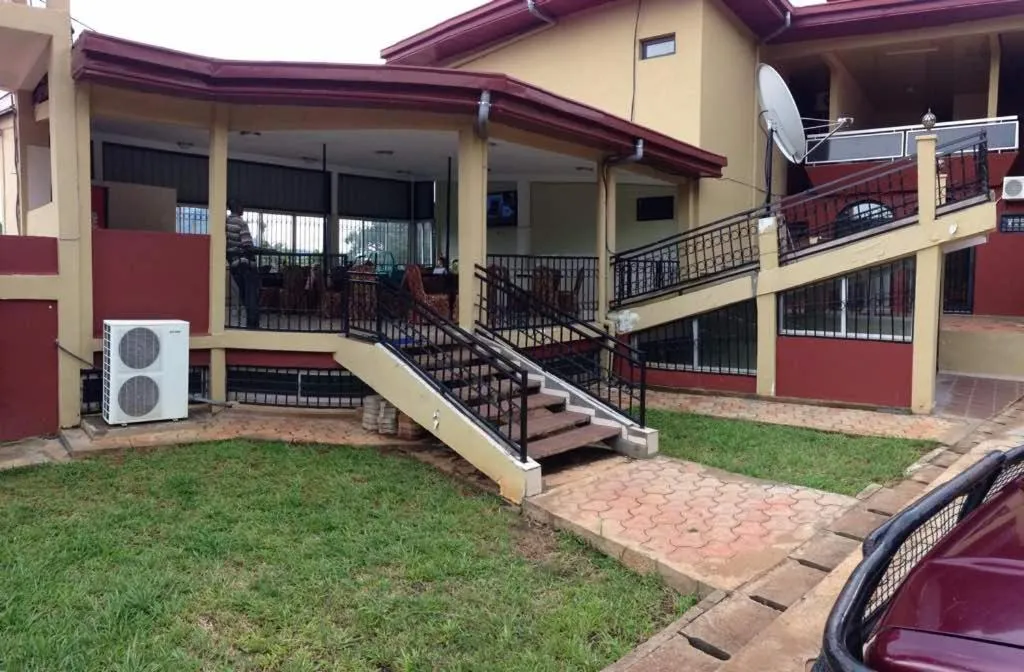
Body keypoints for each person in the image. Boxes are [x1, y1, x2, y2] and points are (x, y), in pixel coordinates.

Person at [226, 199, 260, 329]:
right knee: (251, 295)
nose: (243, 208)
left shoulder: (226, 222)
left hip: (233, 264)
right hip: (245, 263)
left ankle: (245, 323)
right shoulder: (241, 223)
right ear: (237, 207)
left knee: (241, 295)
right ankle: (252, 324)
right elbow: (247, 245)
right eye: (242, 206)